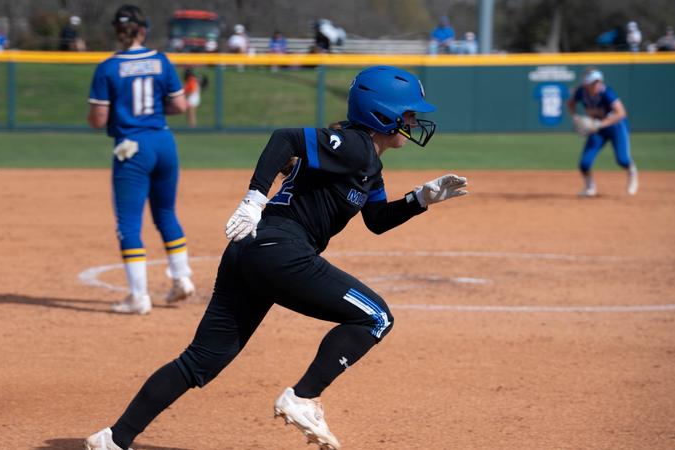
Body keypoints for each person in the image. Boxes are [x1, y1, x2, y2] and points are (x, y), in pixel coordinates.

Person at [84, 65, 468, 450]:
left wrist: (421, 199)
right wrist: (254, 197)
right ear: (381, 114)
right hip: (278, 249)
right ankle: (302, 397)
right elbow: (284, 138)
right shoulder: (355, 146)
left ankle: (113, 439)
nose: (414, 121)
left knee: (200, 361)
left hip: (252, 251)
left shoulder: (369, 163)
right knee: (376, 317)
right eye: (408, 113)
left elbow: (377, 220)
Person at [86, 4, 196, 315]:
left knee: (129, 224)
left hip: (131, 148)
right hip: (163, 142)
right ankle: (182, 278)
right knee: (166, 214)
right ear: (143, 30)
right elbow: (178, 105)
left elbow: (98, 117)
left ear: (117, 32)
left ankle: (138, 297)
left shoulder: (108, 67)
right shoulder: (161, 61)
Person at [567, 68, 638, 196]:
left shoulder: (606, 93)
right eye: (593, 83)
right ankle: (590, 188)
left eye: (598, 82)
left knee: (622, 160)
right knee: (584, 163)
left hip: (616, 127)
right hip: (597, 129)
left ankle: (632, 172)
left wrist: (600, 124)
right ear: (586, 84)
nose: (597, 85)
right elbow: (570, 103)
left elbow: (621, 113)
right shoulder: (581, 92)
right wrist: (575, 117)